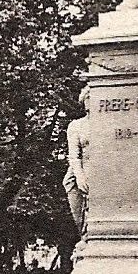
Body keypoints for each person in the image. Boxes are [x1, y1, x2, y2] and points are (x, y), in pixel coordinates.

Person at [62, 86, 92, 258]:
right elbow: (74, 155)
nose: (89, 104)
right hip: (80, 172)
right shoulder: (76, 125)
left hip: (100, 172)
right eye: (87, 99)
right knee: (79, 212)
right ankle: (84, 238)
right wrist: (80, 176)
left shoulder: (109, 124)